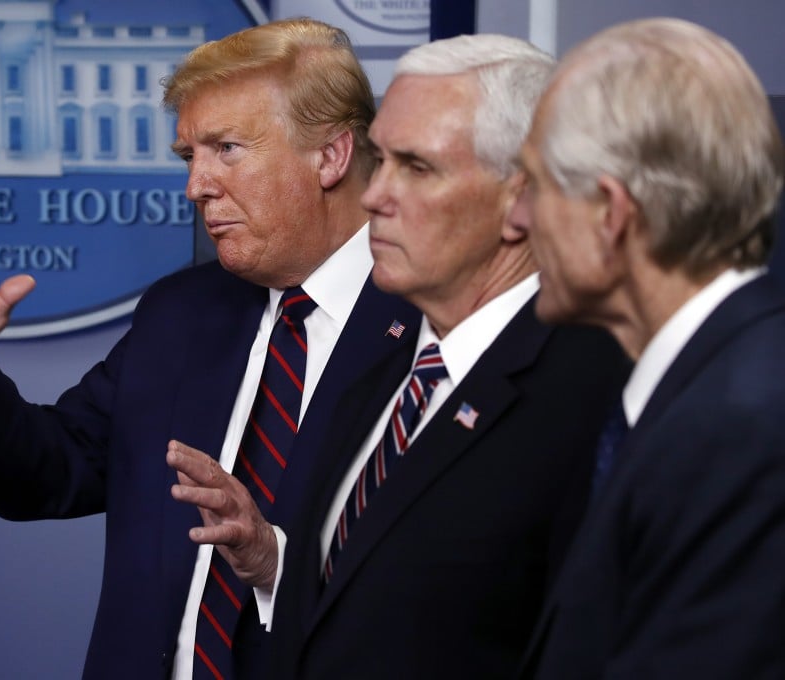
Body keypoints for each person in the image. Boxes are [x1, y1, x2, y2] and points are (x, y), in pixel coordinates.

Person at [0, 18, 420, 680]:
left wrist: (276, 560)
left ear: (331, 157)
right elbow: (54, 470)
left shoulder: (434, 324)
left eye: (227, 149)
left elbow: (456, 591)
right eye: (188, 157)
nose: (197, 185)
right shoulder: (183, 313)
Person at [169, 34, 628, 680]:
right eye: (380, 161)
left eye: (415, 167)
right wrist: (276, 566)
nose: (375, 195)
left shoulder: (600, 393)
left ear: (521, 199)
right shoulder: (388, 376)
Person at [514, 17, 785, 679]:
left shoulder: (744, 430)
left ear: (611, 214)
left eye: (534, 186)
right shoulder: (711, 392)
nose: (516, 219)